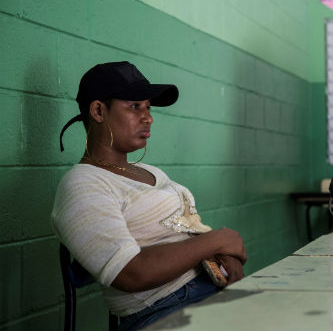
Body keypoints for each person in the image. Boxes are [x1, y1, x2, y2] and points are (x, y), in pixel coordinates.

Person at [52, 61, 247, 331]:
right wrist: (217, 240)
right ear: (98, 110)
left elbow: (190, 228)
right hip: (164, 310)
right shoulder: (82, 184)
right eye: (134, 107)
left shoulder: (150, 171)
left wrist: (227, 256)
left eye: (148, 107)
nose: (148, 117)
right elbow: (131, 272)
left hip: (211, 287)